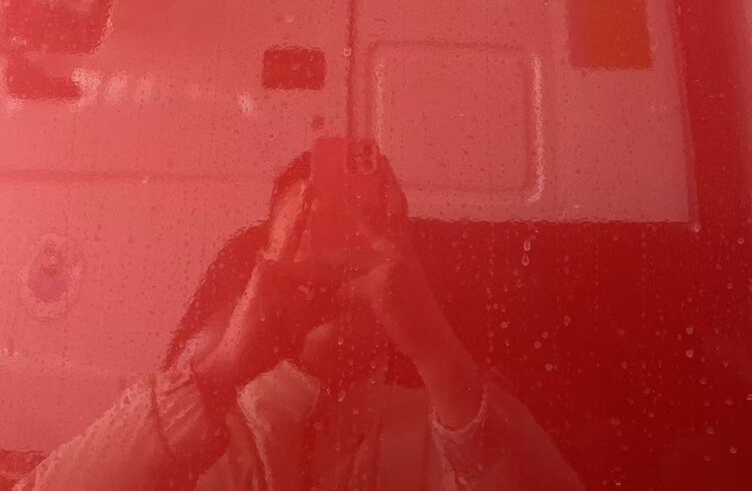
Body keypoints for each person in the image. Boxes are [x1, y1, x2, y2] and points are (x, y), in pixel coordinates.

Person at [16, 139, 583, 491]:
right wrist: (220, 373)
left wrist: (436, 350)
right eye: (311, 230)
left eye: (365, 233)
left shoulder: (450, 430)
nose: (335, 261)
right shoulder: (196, 431)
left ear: (406, 271)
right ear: (263, 265)